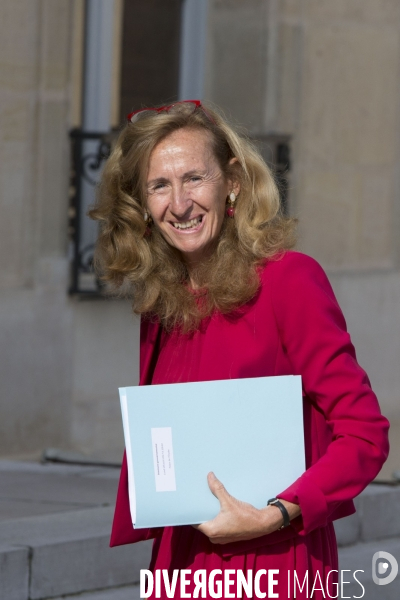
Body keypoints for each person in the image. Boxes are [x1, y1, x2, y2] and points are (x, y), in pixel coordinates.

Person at [89, 100, 389, 599]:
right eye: (159, 185)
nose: (179, 203)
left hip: (273, 558)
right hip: (179, 563)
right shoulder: (161, 303)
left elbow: (366, 436)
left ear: (233, 181)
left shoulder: (289, 280)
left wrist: (276, 513)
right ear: (141, 202)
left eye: (194, 178)